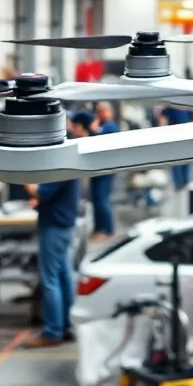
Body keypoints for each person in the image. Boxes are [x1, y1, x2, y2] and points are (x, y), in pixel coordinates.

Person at [23, 118, 90, 349]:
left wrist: (24, 177)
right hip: (65, 223)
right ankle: (67, 326)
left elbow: (41, 192)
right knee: (63, 276)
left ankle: (52, 331)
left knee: (50, 279)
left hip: (55, 225)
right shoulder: (66, 161)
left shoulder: (59, 166)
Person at [88, 103, 119, 241]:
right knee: (96, 200)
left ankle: (107, 229)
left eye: (103, 111)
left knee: (102, 200)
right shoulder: (101, 126)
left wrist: (94, 128)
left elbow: (98, 138)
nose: (101, 114)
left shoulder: (110, 127)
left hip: (106, 170)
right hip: (97, 169)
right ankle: (98, 228)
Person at [157, 104, 193, 190]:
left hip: (182, 138)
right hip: (178, 137)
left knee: (182, 160)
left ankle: (182, 183)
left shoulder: (181, 108)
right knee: (180, 161)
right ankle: (181, 183)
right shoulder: (175, 107)